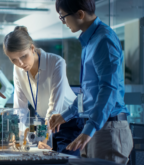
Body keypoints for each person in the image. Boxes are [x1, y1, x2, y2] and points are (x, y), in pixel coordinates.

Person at [49, 0, 133, 164]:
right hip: (96, 127)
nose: (64, 22)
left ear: (80, 14)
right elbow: (87, 94)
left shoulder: (104, 40)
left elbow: (108, 89)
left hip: (108, 130)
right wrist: (65, 116)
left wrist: (90, 128)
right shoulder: (90, 40)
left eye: (63, 17)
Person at [3, 26, 84, 156]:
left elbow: (54, 108)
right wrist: (18, 137)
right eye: (14, 60)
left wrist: (45, 138)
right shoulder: (17, 69)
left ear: (32, 48)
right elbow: (20, 108)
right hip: (44, 123)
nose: (20, 63)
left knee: (65, 160)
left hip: (68, 121)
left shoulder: (56, 62)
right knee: (43, 159)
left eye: (24, 56)